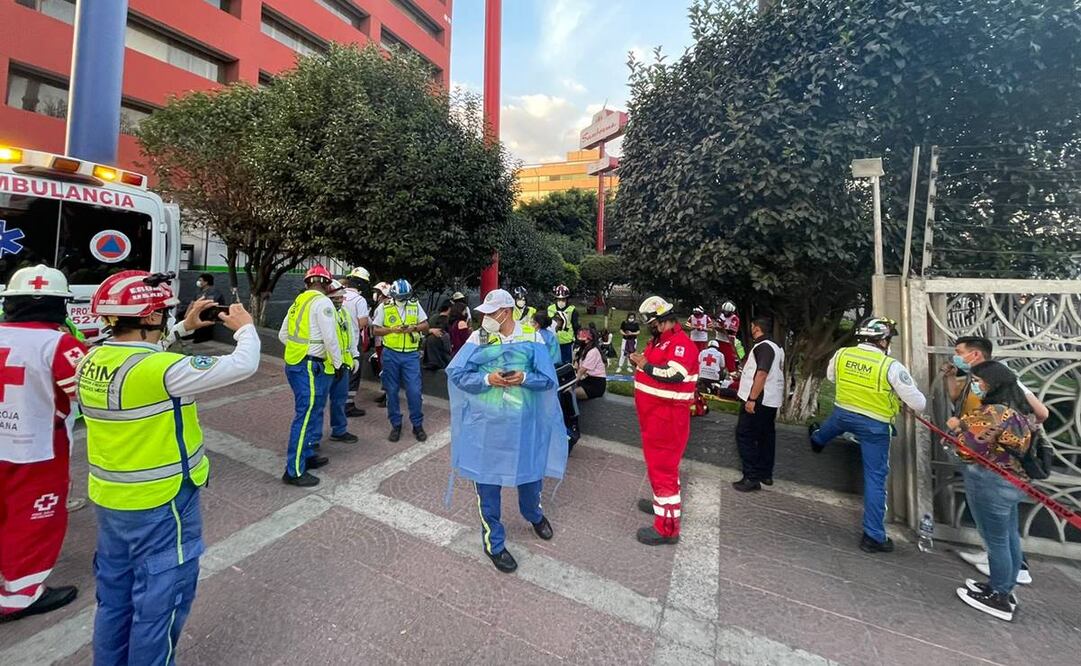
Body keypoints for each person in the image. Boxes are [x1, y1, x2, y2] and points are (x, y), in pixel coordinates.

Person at [76, 270, 259, 663]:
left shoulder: (91, 359)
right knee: (159, 607)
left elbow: (143, 355)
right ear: (149, 316)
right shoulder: (159, 370)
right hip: (163, 503)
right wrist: (246, 328)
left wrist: (182, 328)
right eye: (163, 312)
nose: (165, 317)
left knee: (115, 600)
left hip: (112, 501)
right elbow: (244, 365)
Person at [446, 289, 566, 573]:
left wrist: (524, 377)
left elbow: (548, 379)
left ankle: (534, 514)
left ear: (506, 312)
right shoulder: (479, 338)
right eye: (484, 313)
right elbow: (457, 373)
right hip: (486, 428)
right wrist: (487, 379)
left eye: (491, 313)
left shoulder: (532, 337)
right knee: (487, 485)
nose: (485, 318)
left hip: (525, 426)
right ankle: (494, 543)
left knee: (530, 476)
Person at [0, 265, 86, 623]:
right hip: (35, 448)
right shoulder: (59, 344)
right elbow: (90, 391)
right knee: (33, 519)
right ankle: (19, 595)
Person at [809, 316, 927, 553]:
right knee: (875, 478)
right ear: (882, 341)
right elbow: (918, 403)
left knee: (829, 428)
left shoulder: (842, 354)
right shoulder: (890, 366)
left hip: (843, 413)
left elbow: (832, 377)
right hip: (875, 426)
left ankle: (817, 440)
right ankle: (873, 536)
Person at [944, 335, 1047, 585]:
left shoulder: (1003, 381)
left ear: (975, 354)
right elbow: (959, 400)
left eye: (959, 352)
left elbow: (1041, 413)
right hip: (986, 460)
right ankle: (1005, 571)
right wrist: (950, 377)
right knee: (1000, 528)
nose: (955, 356)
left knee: (999, 532)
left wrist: (1012, 431)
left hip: (993, 464)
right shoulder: (976, 380)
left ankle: (1005, 582)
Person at [946, 360, 1034, 622]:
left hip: (992, 482)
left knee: (995, 541)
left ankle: (999, 596)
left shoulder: (994, 412)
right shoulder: (1018, 409)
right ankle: (1005, 586)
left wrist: (955, 428)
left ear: (992, 384)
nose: (974, 386)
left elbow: (967, 450)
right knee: (1009, 537)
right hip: (1014, 481)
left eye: (977, 381)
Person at [630, 296, 699, 546]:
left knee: (663, 470)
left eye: (652, 324)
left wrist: (645, 365)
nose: (650, 328)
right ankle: (662, 504)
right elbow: (653, 366)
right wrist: (641, 363)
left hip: (667, 420)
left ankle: (667, 529)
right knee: (662, 468)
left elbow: (674, 374)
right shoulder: (661, 340)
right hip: (655, 418)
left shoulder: (681, 344)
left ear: (662, 321)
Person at [278, 265, 342, 487]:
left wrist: (300, 349)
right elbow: (330, 338)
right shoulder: (323, 303)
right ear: (327, 284)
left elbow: (283, 335)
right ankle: (294, 471)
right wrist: (338, 363)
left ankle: (306, 456)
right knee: (305, 416)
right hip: (310, 366)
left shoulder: (298, 302)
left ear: (307, 282)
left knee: (313, 411)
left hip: (296, 364)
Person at [372, 279, 429, 442]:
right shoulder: (384, 307)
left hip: (411, 355)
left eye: (405, 297)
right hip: (391, 354)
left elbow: (425, 325)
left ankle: (417, 425)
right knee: (391, 391)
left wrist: (414, 328)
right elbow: (376, 330)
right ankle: (395, 424)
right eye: (400, 297)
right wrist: (392, 330)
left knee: (414, 391)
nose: (403, 300)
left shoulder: (414, 305)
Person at [733, 317, 786, 491]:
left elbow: (762, 374)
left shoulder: (763, 347)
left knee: (745, 435)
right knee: (766, 436)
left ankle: (751, 477)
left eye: (751, 326)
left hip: (759, 399)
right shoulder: (777, 347)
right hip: (771, 399)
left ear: (756, 328)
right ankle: (765, 474)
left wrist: (752, 399)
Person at [535, 311, 579, 451]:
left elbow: (538, 358)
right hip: (554, 374)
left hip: (545, 376)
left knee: (548, 412)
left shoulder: (539, 336)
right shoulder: (550, 335)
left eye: (532, 322)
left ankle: (567, 437)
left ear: (537, 323)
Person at [326, 280, 360, 445]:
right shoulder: (324, 313)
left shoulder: (344, 312)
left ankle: (339, 430)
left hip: (343, 364)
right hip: (326, 364)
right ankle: (311, 439)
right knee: (317, 404)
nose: (340, 300)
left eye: (341, 297)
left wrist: (355, 356)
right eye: (336, 298)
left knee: (339, 400)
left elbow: (351, 335)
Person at [341, 267, 371, 417]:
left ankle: (338, 402)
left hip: (339, 341)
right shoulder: (359, 300)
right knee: (354, 373)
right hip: (353, 342)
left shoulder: (339, 295)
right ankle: (348, 406)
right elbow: (362, 322)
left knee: (340, 372)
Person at [370, 281, 391, 407]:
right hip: (380, 341)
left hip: (384, 342)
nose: (375, 295)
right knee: (383, 369)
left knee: (387, 370)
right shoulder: (382, 305)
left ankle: (389, 396)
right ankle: (385, 393)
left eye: (378, 293)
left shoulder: (385, 306)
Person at [547, 284, 579, 364]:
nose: (561, 301)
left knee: (566, 365)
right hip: (553, 342)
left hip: (567, 342)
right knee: (554, 364)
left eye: (563, 299)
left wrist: (577, 341)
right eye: (559, 299)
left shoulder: (572, 310)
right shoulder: (550, 309)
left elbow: (576, 326)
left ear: (567, 299)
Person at [693, 339, 726, 416]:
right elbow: (722, 366)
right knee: (723, 372)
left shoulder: (702, 352)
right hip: (714, 378)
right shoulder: (720, 354)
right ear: (717, 347)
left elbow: (698, 362)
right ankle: (717, 386)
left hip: (702, 377)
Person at [574, 327, 607, 400]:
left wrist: (573, 382)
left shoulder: (593, 351)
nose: (579, 340)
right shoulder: (583, 349)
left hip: (596, 384)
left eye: (581, 338)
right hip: (587, 380)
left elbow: (582, 371)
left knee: (569, 393)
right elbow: (576, 367)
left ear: (587, 340)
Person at [422, 301, 453, 370]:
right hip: (443, 356)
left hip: (430, 357)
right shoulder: (448, 320)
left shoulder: (433, 318)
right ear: (449, 309)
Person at [713, 301, 741, 375]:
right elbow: (715, 326)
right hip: (718, 340)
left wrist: (721, 328)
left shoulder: (735, 319)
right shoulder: (721, 315)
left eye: (727, 312)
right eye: (724, 311)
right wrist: (721, 328)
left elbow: (731, 332)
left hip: (728, 342)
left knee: (729, 360)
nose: (725, 313)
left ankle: (733, 375)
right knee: (716, 359)